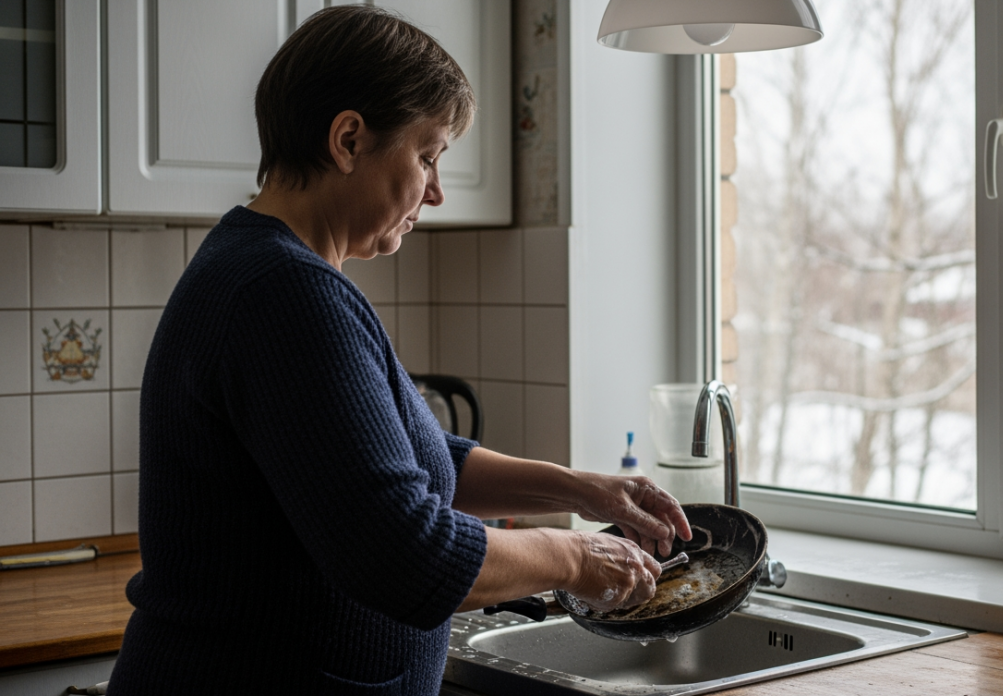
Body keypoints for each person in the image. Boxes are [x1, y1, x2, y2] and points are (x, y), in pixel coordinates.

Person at [108, 6, 690, 694]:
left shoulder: (276, 271)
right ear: (349, 139)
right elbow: (405, 555)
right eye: (426, 155)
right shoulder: (286, 292)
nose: (436, 191)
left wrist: (582, 489)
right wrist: (572, 556)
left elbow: (394, 459)